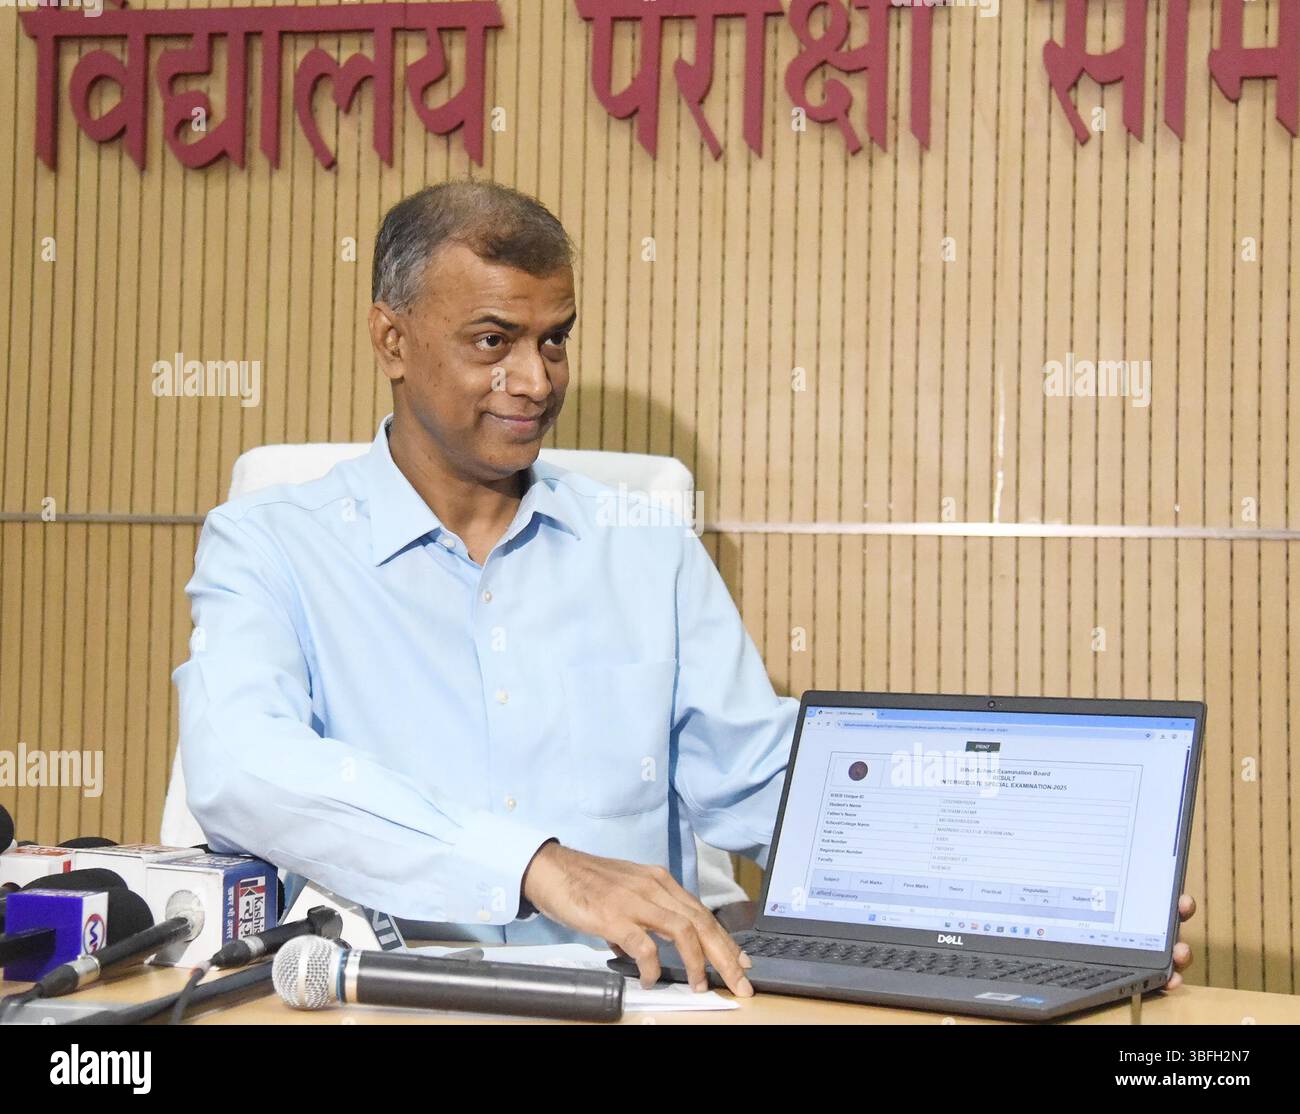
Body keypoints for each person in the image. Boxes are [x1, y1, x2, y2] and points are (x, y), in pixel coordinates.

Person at [174, 180, 1196, 998]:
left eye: (554, 337)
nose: (534, 379)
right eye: (493, 341)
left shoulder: (642, 546)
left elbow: (760, 780)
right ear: (391, 340)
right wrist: (536, 862)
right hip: (383, 998)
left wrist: (1033, 890)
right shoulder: (269, 543)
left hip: (631, 1003)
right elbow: (243, 767)